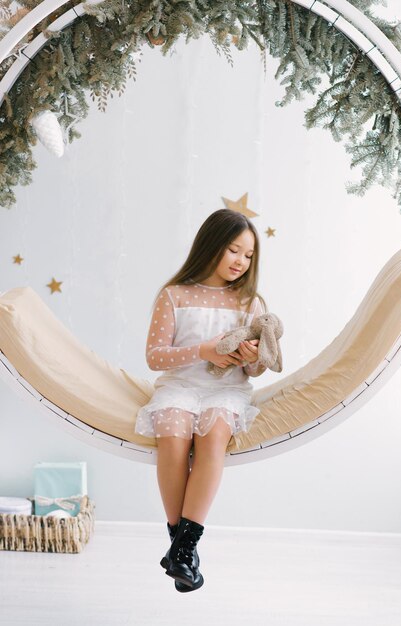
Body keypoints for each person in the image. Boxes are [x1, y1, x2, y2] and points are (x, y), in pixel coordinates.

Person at [135, 208, 268, 592]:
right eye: (233, 250)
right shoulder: (174, 295)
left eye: (249, 255)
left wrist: (252, 358)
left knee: (212, 436)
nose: (241, 262)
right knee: (173, 434)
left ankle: (183, 548)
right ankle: (183, 551)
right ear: (211, 245)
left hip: (226, 390)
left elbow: (257, 370)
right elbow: (155, 356)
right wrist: (204, 350)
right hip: (179, 385)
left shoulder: (250, 304)